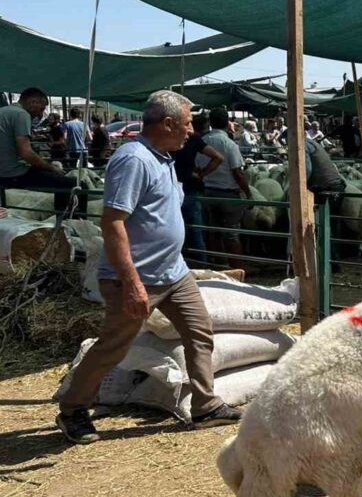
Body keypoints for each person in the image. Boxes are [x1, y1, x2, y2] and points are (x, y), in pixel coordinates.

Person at [55, 90, 241, 444]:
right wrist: (131, 282)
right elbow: (113, 222)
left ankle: (205, 406)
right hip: (138, 277)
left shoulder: (165, 158)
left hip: (173, 272)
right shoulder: (134, 160)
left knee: (199, 330)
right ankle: (73, 409)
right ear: (168, 123)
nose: (191, 131)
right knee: (115, 345)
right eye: (187, 124)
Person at [0, 88, 86, 215]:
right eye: (41, 108)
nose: (41, 113)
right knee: (75, 185)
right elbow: (26, 153)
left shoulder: (3, 111)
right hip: (13, 174)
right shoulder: (21, 114)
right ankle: (66, 223)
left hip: (3, 171)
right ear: (31, 102)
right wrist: (51, 167)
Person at [198, 108, 248, 270]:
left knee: (213, 232)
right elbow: (237, 172)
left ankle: (217, 267)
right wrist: (247, 192)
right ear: (227, 123)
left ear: (210, 123)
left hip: (207, 193)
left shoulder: (202, 142)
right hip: (228, 195)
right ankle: (237, 270)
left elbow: (197, 167)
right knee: (231, 234)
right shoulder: (229, 144)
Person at [172, 112, 224, 263]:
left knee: (173, 231)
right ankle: (202, 265)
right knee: (196, 232)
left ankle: (177, 264)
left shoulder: (168, 139)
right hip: (189, 190)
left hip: (170, 190)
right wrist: (202, 174)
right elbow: (218, 157)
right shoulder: (194, 139)